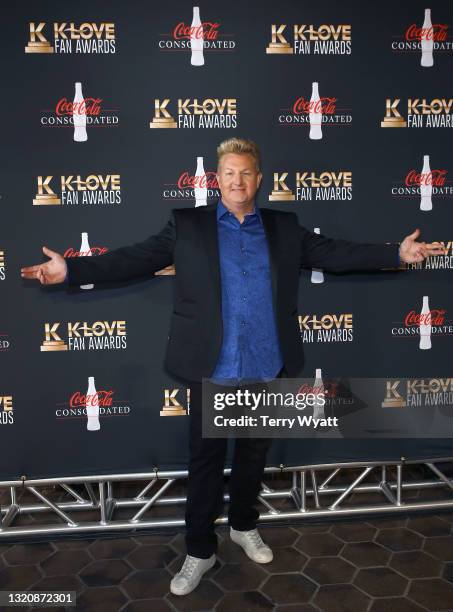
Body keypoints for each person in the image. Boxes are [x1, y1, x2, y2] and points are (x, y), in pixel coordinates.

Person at [21, 137, 444, 596]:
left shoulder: (284, 228)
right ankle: (199, 551)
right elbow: (135, 259)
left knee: (252, 456)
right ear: (216, 179)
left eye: (245, 173)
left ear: (258, 180)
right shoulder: (188, 225)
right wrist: (73, 271)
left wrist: (394, 255)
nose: (237, 181)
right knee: (205, 462)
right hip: (212, 365)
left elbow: (335, 254)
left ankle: (244, 526)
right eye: (228, 173)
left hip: (266, 360)